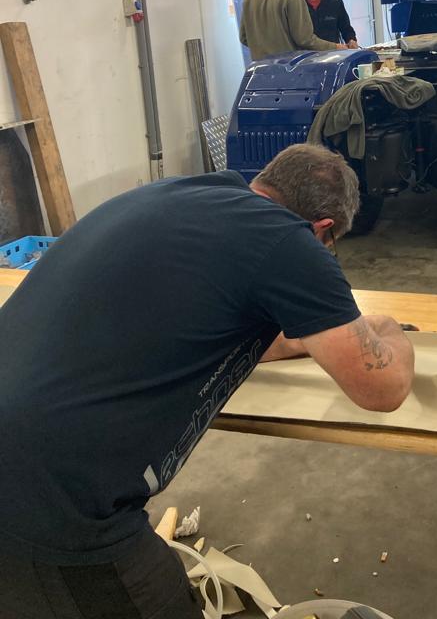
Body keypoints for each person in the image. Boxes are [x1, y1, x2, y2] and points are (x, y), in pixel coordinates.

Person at [0, 144, 415, 619]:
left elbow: (219, 317)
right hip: (48, 493)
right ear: (323, 228)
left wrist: (313, 337)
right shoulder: (286, 240)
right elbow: (382, 390)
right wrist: (387, 330)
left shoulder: (177, 196)